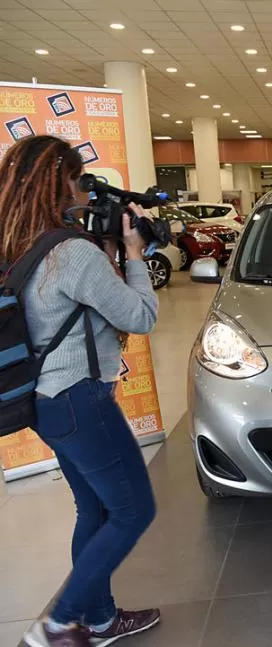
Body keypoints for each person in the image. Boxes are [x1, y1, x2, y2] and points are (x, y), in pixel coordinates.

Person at [0, 136, 161, 647]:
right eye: (78, 180)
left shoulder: (17, 246)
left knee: (93, 510)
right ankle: (59, 623)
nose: (85, 192)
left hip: (46, 404)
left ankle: (100, 620)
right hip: (80, 399)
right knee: (134, 511)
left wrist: (107, 249)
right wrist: (133, 254)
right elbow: (140, 316)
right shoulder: (71, 253)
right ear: (59, 184)